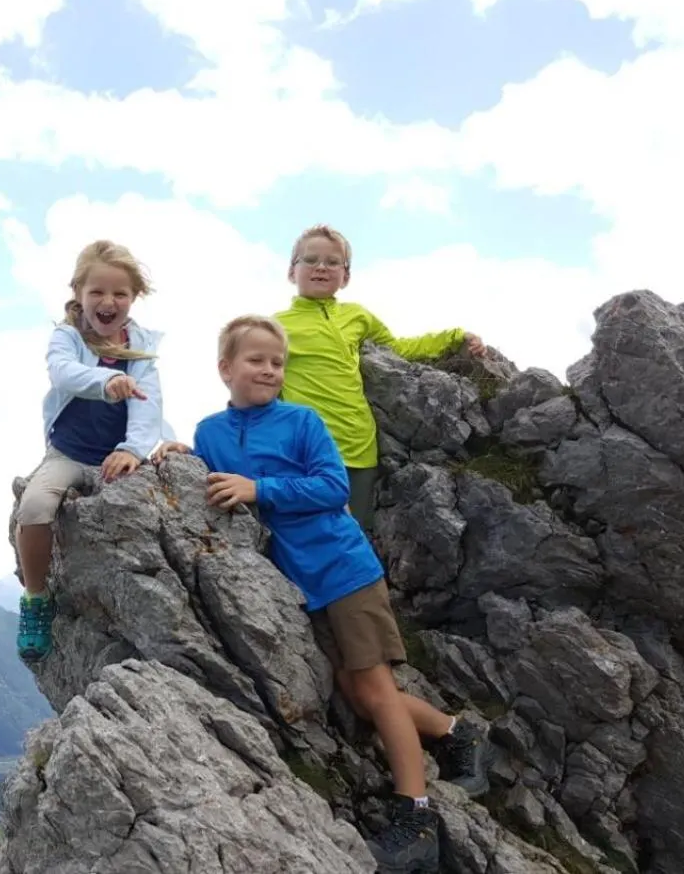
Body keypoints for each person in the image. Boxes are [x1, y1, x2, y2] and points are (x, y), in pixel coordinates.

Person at [155, 315, 491, 873]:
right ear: (224, 369)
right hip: (297, 586)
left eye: (277, 362)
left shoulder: (302, 420)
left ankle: (418, 818)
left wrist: (259, 488)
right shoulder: (211, 431)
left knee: (376, 690)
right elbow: (209, 474)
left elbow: (334, 485)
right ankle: (454, 730)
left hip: (343, 567)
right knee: (355, 695)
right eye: (255, 360)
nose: (268, 369)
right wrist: (178, 453)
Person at [11, 239, 171, 663]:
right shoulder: (66, 337)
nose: (108, 301)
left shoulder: (139, 347)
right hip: (67, 454)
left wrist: (134, 449)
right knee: (34, 508)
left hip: (115, 456)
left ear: (134, 298)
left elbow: (148, 402)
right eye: (97, 291)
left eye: (120, 293)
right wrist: (104, 382)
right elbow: (63, 374)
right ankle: (35, 599)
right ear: (79, 294)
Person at [276, 224, 485, 532]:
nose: (321, 267)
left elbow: (399, 348)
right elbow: (259, 385)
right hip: (308, 450)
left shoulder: (358, 316)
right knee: (310, 538)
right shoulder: (276, 327)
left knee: (355, 538)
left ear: (345, 277)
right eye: (310, 260)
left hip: (360, 448)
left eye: (333, 262)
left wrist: (454, 337)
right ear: (292, 272)